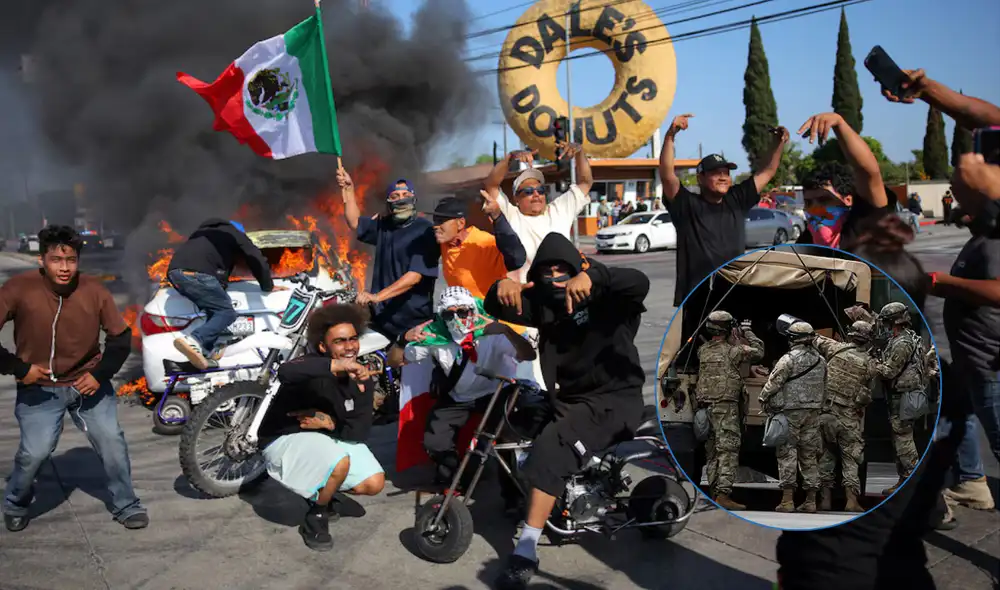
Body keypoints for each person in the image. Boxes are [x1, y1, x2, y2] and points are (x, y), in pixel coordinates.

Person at [483, 233, 648, 589]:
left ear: (577, 268)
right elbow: (493, 307)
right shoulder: (543, 305)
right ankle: (520, 498)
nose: (555, 273)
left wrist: (595, 275)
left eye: (563, 267)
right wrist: (499, 287)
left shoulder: (607, 298)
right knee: (512, 421)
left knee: (550, 450)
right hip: (568, 400)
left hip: (614, 400)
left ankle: (525, 550)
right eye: (547, 268)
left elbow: (639, 282)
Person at [0, 225, 147, 532]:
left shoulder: (94, 290)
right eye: (56, 260)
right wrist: (18, 368)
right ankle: (15, 501)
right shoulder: (19, 289)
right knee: (35, 453)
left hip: (88, 385)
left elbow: (120, 338)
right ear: (42, 260)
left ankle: (126, 504)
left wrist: (99, 375)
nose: (64, 268)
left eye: (71, 260)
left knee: (112, 442)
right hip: (38, 388)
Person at [256, 303, 386, 552]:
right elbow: (286, 371)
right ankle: (316, 515)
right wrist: (337, 366)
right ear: (323, 347)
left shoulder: (359, 377)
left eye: (353, 339)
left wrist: (334, 420)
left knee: (374, 483)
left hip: (325, 438)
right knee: (339, 462)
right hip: (284, 438)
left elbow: (357, 433)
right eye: (339, 341)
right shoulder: (312, 365)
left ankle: (326, 489)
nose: (349, 347)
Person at [388, 287, 535, 489]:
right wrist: (402, 339)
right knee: (434, 441)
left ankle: (513, 496)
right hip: (459, 398)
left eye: (463, 312)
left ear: (473, 311)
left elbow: (528, 355)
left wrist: (506, 331)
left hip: (495, 394)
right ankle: (457, 477)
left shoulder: (491, 331)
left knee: (507, 441)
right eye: (450, 313)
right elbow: (396, 362)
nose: (457, 319)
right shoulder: (435, 337)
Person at [658, 113, 787, 307]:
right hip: (698, 299)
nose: (723, 177)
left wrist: (778, 144)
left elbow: (767, 171)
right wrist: (670, 136)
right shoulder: (686, 205)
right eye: (716, 173)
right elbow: (667, 174)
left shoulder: (736, 199)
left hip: (736, 293)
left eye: (726, 173)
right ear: (700, 178)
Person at [339, 166, 439, 343]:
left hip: (413, 322)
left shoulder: (425, 231)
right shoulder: (384, 225)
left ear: (414, 199)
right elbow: (354, 222)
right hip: (382, 320)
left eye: (405, 195)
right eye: (395, 196)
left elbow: (414, 276)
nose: (400, 200)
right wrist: (349, 189)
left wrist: (377, 297)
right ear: (388, 202)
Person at [168, 218, 274, 369]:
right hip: (198, 274)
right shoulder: (233, 233)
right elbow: (255, 258)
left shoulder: (200, 237)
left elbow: (218, 271)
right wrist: (267, 285)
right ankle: (194, 340)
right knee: (227, 313)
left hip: (176, 275)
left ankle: (205, 352)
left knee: (215, 311)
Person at [695, 311, 765, 511]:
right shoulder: (734, 351)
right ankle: (724, 495)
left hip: (706, 409)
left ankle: (715, 493)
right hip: (725, 408)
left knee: (713, 453)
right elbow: (759, 351)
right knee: (728, 451)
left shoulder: (703, 350)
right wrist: (747, 332)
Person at [794, 112, 893, 251]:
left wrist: (840, 124)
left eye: (824, 199)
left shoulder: (864, 225)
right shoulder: (806, 243)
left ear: (847, 200)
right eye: (809, 203)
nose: (816, 209)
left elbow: (868, 172)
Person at [759, 321, 827, 513]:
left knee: (787, 453)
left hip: (790, 413)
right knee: (809, 455)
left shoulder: (788, 359)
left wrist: (763, 397)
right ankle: (811, 501)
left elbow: (774, 382)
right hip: (813, 412)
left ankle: (787, 500)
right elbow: (825, 386)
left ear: (792, 339)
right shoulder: (821, 361)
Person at [813, 321, 878, 513]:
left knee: (825, 457)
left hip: (826, 414)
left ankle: (825, 501)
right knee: (850, 459)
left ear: (850, 335)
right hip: (849, 417)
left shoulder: (834, 348)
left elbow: (813, 338)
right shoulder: (870, 363)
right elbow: (869, 391)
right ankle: (851, 501)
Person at [872, 302, 925, 496]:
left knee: (903, 440)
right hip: (899, 397)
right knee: (898, 440)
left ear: (894, 321)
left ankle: (914, 483)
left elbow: (889, 371)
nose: (884, 326)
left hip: (902, 398)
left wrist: (873, 364)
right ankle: (903, 481)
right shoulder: (904, 339)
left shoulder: (903, 342)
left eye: (886, 322)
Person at [431, 193, 525, 300]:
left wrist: (498, 217)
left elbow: (517, 259)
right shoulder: (444, 242)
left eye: (441, 221)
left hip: (490, 314)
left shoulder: (484, 242)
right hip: (464, 314)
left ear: (460, 223)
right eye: (435, 220)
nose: (435, 226)